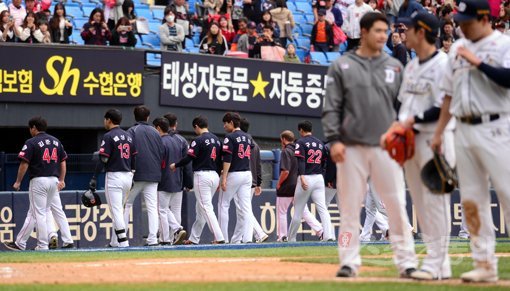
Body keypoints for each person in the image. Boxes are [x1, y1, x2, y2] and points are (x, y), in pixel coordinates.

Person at [322, 12, 417, 278]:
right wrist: (334, 139)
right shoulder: (341, 66)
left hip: (385, 147)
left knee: (396, 205)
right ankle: (348, 262)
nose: (383, 36)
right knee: (350, 208)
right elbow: (331, 108)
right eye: (377, 31)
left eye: (385, 31)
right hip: (351, 147)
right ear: (363, 32)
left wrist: (401, 130)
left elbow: (405, 106)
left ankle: (407, 262)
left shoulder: (394, 67)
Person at [430, 0, 510, 283]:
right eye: (459, 20)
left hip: (497, 126)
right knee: (472, 200)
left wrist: (478, 62)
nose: (461, 25)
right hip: (462, 128)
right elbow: (448, 96)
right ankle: (485, 264)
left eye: (468, 20)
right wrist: (439, 132)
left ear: (485, 18)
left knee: (507, 193)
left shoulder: (503, 44)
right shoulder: (455, 53)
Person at [393, 11, 455, 281]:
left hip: (434, 138)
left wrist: (410, 121)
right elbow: (403, 104)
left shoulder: (444, 63)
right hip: (410, 141)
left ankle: (436, 262)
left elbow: (446, 105)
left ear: (421, 32)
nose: (402, 34)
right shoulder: (411, 65)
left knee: (435, 203)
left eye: (407, 29)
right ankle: (438, 264)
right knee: (419, 201)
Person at [3, 117, 67, 251]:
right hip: (53, 181)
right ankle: (22, 243)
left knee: (39, 213)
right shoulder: (56, 141)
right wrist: (61, 180)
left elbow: (24, 163)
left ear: (33, 128)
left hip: (39, 181)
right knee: (39, 212)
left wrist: (18, 181)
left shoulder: (31, 142)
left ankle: (42, 245)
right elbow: (63, 161)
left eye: (30, 128)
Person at [171, 116, 225, 245]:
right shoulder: (217, 140)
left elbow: (189, 158)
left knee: (205, 207)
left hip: (203, 176)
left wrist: (175, 165)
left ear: (196, 126)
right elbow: (220, 162)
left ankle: (219, 237)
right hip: (214, 176)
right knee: (201, 209)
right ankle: (194, 238)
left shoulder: (198, 140)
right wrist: (218, 177)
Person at [89, 109, 136, 248]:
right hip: (128, 175)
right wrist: (132, 174)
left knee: (116, 211)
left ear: (109, 120)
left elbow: (103, 158)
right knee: (119, 210)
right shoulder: (128, 136)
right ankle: (115, 242)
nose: (104, 122)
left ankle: (123, 242)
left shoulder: (108, 136)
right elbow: (134, 158)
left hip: (114, 176)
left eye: (105, 119)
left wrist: (94, 177)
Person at [119, 106, 164, 247]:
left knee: (127, 205)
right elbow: (162, 153)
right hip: (154, 174)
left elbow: (128, 154)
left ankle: (122, 239)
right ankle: (153, 239)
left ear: (134, 116)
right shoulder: (156, 132)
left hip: (136, 174)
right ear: (148, 117)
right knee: (152, 208)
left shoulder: (132, 131)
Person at [287, 121, 333, 242]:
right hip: (318, 178)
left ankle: (291, 238)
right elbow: (324, 162)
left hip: (306, 177)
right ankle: (328, 236)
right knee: (323, 208)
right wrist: (321, 176)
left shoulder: (301, 142)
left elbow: (300, 161)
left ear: (301, 130)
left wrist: (302, 177)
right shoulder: (320, 143)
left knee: (298, 210)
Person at [276, 130, 324, 242]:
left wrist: (279, 183)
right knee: (304, 211)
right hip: (299, 184)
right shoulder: (300, 148)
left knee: (282, 211)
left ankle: (282, 236)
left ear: (283, 139)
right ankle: (321, 231)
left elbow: (285, 171)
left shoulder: (286, 151)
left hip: (286, 186)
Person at [230, 118, 268, 244]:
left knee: (243, 210)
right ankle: (237, 239)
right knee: (243, 211)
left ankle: (259, 233)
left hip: (240, 179)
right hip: (251, 180)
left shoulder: (238, 141)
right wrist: (258, 182)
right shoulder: (254, 143)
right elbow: (258, 165)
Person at [218, 112, 253, 243]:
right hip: (247, 173)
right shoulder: (248, 137)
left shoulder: (229, 137)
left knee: (223, 204)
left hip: (234, 173)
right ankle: (248, 238)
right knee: (246, 207)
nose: (224, 126)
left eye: (225, 123)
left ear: (231, 123)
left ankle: (223, 239)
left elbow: (227, 158)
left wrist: (224, 177)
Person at [153, 117, 188, 245]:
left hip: (164, 179)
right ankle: (175, 231)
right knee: (168, 209)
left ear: (158, 128)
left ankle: (166, 237)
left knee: (162, 210)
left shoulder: (160, 142)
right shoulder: (176, 141)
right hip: (177, 179)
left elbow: (158, 162)